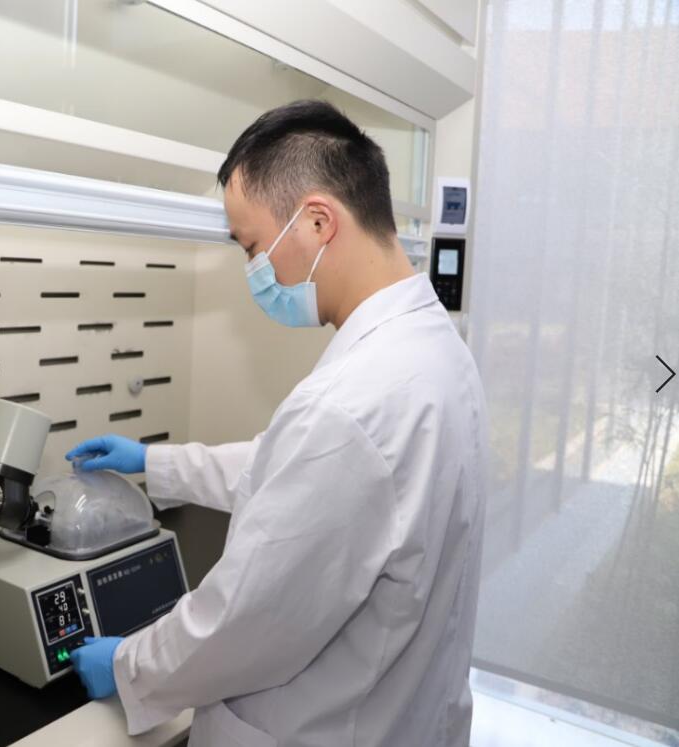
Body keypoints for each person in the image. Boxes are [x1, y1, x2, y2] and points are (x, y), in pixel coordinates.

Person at [65, 100, 488, 747]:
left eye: (253, 246)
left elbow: (239, 624)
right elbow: (295, 469)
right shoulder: (432, 350)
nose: (254, 272)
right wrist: (153, 462)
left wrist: (128, 666)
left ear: (318, 222)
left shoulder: (350, 404)